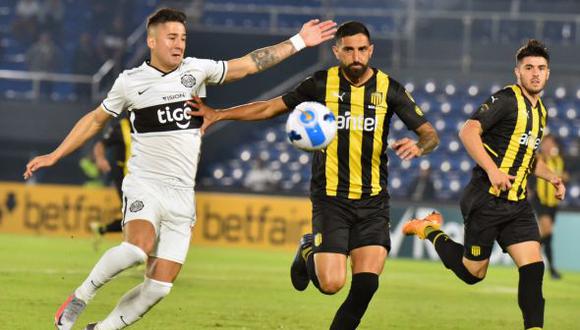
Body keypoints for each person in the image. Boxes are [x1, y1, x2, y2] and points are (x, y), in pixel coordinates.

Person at [23, 8, 336, 330]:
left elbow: (249, 64)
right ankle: (79, 297)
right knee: (135, 250)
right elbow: (94, 119)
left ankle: (102, 329)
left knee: (159, 287)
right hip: (146, 183)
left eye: (183, 38)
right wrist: (55, 154)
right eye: (172, 37)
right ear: (152, 40)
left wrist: (299, 41)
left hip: (182, 195)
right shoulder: (130, 82)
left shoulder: (196, 71)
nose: (179, 44)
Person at [187, 21, 439, 330]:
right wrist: (218, 113)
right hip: (331, 199)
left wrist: (419, 146)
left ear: (371, 51)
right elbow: (269, 108)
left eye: (362, 49)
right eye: (349, 49)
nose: (356, 56)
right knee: (331, 284)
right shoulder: (320, 84)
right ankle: (309, 247)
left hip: (373, 201)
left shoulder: (390, 89)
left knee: (366, 285)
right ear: (337, 52)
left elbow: (430, 135)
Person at [403, 39, 566, 330]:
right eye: (529, 68)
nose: (535, 73)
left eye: (541, 68)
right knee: (473, 274)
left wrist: (551, 177)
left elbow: (526, 159)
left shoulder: (541, 111)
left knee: (533, 268)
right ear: (517, 72)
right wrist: (492, 170)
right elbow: (468, 131)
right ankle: (428, 229)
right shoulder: (506, 99)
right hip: (486, 200)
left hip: (516, 204)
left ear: (548, 73)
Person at [89, 115, 132, 243]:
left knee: (133, 215)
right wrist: (100, 158)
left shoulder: (151, 125)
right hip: (125, 178)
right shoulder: (121, 127)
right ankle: (133, 247)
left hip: (146, 178)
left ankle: (101, 229)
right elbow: (100, 144)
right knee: (132, 214)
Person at [531, 134, 568, 279]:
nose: (548, 146)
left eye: (551, 143)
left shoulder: (559, 160)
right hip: (540, 199)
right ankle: (530, 253)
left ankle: (549, 267)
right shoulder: (538, 158)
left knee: (548, 235)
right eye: (546, 143)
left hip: (553, 202)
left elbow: (566, 175)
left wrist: (563, 177)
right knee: (547, 229)